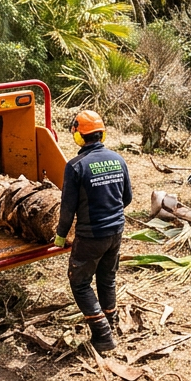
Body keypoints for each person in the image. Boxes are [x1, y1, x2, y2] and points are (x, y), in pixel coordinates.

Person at [54, 110, 132, 353]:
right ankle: (111, 321)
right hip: (116, 231)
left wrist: (60, 236)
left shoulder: (76, 166)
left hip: (91, 235)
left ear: (79, 135)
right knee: (107, 278)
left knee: (79, 282)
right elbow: (127, 198)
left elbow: (68, 207)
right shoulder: (118, 159)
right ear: (102, 134)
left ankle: (103, 334)